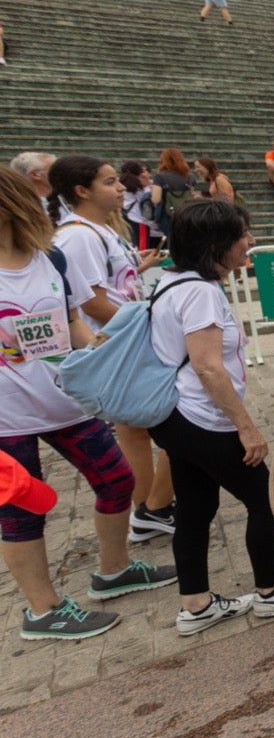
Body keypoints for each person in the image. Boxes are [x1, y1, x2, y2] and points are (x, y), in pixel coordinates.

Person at [0, 166, 175, 641]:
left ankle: (114, 571)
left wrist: (102, 354)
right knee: (22, 508)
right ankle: (43, 610)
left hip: (64, 398)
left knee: (116, 479)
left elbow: (74, 319)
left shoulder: (50, 258)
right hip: (6, 417)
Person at [147, 200, 274, 633]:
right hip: (199, 417)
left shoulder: (174, 282)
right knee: (269, 498)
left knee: (196, 505)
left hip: (176, 418)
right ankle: (271, 591)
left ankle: (196, 604)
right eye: (242, 235)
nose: (251, 241)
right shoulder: (200, 292)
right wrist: (245, 427)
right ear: (216, 246)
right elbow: (207, 366)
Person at [49, 155, 176, 543]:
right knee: (177, 420)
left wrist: (137, 269)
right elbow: (91, 303)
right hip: (119, 346)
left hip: (125, 342)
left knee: (134, 431)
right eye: (108, 182)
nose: (121, 187)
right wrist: (141, 329)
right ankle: (153, 506)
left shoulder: (99, 230)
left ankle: (151, 508)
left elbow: (109, 285)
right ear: (81, 191)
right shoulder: (78, 235)